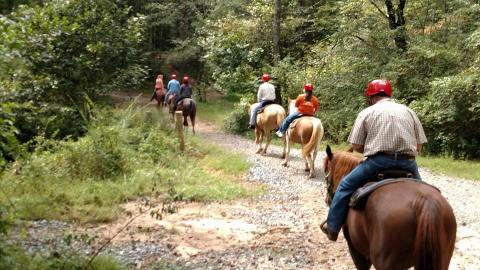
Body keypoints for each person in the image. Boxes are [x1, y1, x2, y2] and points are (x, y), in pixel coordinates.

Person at [320, 79, 428, 242]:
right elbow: (418, 146)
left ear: (370, 96)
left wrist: (372, 149)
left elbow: (356, 145)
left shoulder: (367, 112)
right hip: (408, 163)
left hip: (378, 163)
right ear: (389, 94)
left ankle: (333, 227)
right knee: (425, 194)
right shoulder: (408, 111)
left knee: (345, 186)